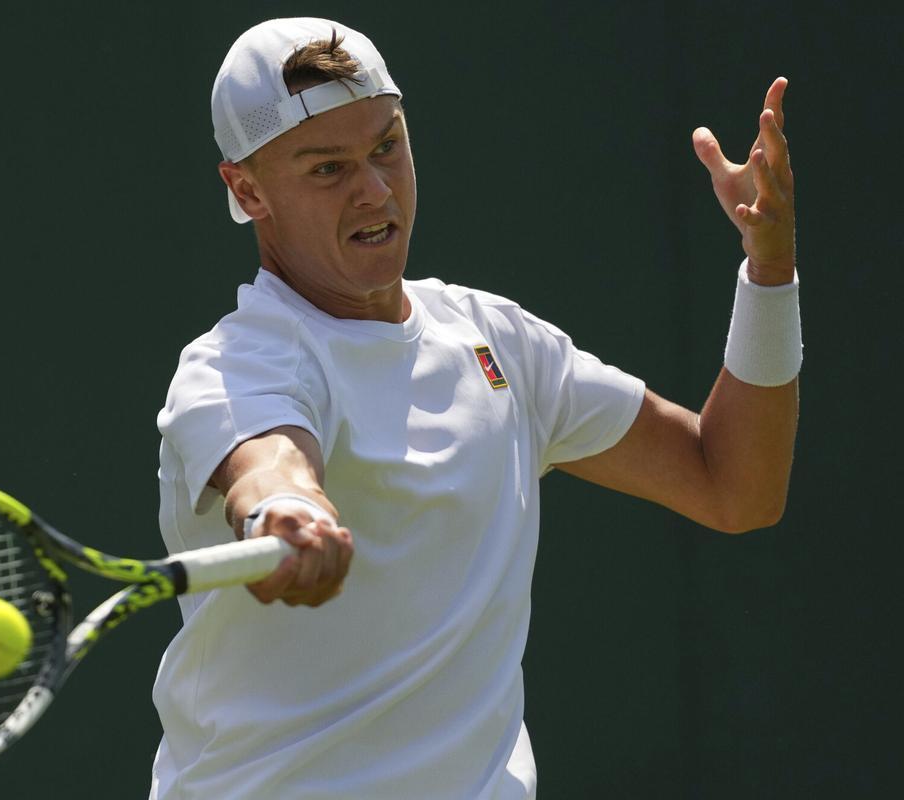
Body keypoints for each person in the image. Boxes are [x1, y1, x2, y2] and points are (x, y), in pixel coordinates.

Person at [149, 17, 799, 800]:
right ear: (248, 190)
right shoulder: (235, 364)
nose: (376, 190)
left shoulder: (500, 344)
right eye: (328, 169)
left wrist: (770, 274)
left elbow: (735, 485)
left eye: (387, 145)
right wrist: (283, 510)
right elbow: (271, 463)